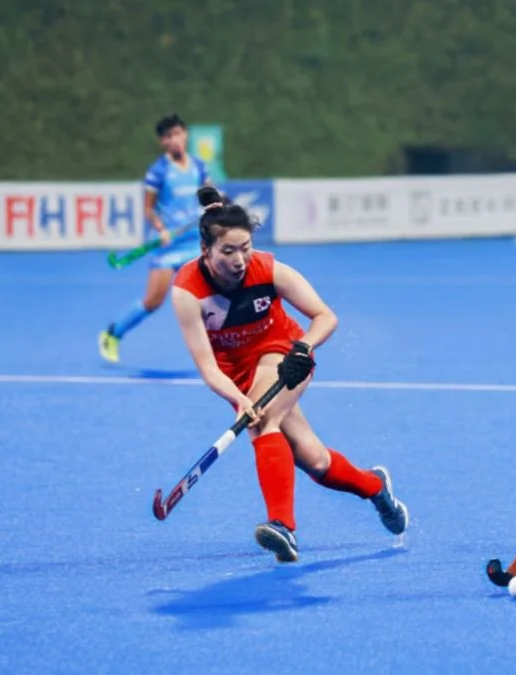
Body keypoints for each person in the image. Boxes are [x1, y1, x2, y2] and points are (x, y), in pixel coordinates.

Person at [170, 186, 408, 563]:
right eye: (227, 251)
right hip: (237, 373)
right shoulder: (187, 293)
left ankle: (283, 526)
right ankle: (376, 487)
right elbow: (207, 367)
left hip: (282, 353)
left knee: (263, 425)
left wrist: (305, 347)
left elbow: (325, 316)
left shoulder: (269, 269)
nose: (239, 259)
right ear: (205, 251)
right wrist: (238, 399)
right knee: (315, 461)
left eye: (245, 247)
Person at [100, 114, 210, 363]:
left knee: (208, 296)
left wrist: (214, 204)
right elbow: (148, 209)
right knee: (153, 301)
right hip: (168, 245)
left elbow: (209, 193)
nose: (176, 140)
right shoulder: (158, 171)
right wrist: (160, 228)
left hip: (194, 243)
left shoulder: (199, 166)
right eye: (169, 136)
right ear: (163, 142)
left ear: (186, 135)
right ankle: (113, 333)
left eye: (179, 134)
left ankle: (220, 352)